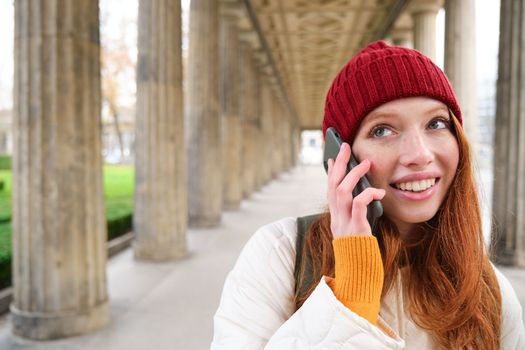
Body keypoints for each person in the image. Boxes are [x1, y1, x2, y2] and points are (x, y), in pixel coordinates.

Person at [210, 41, 525, 349]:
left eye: (436, 123)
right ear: (340, 158)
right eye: (382, 130)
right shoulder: (278, 255)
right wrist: (350, 299)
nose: (419, 154)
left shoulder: (490, 290)